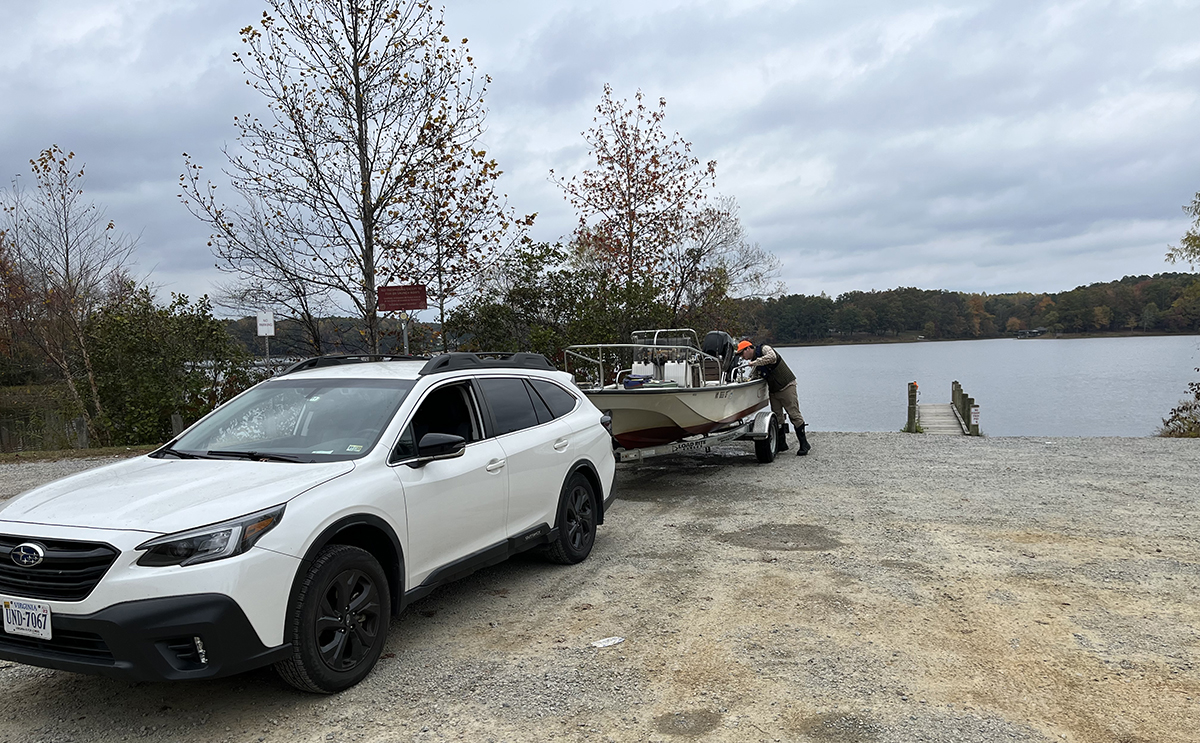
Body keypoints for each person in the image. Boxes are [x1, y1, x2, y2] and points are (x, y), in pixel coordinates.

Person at [737, 339, 810, 455]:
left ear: (748, 348)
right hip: (774, 390)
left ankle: (804, 444)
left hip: (787, 386)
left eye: (742, 353)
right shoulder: (755, 363)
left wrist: (755, 362)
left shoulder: (764, 349)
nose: (742, 357)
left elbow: (772, 358)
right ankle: (781, 444)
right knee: (778, 417)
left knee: (794, 414)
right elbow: (755, 377)